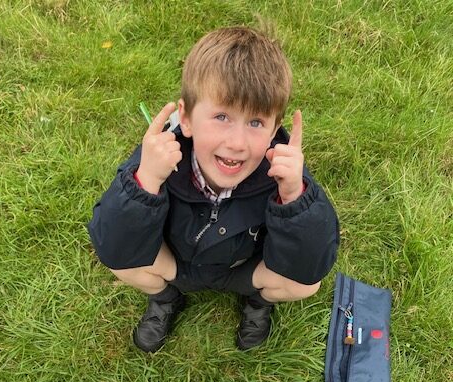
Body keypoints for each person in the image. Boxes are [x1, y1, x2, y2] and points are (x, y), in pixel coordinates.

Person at [88, 26, 339, 352]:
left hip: (242, 269)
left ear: (275, 129)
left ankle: (258, 303)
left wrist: (294, 199)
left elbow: (311, 265)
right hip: (177, 265)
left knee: (307, 285)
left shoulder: (284, 172)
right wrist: (146, 182)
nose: (236, 143)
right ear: (187, 118)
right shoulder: (157, 159)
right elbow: (112, 244)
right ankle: (165, 298)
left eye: (255, 123)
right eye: (221, 116)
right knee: (120, 261)